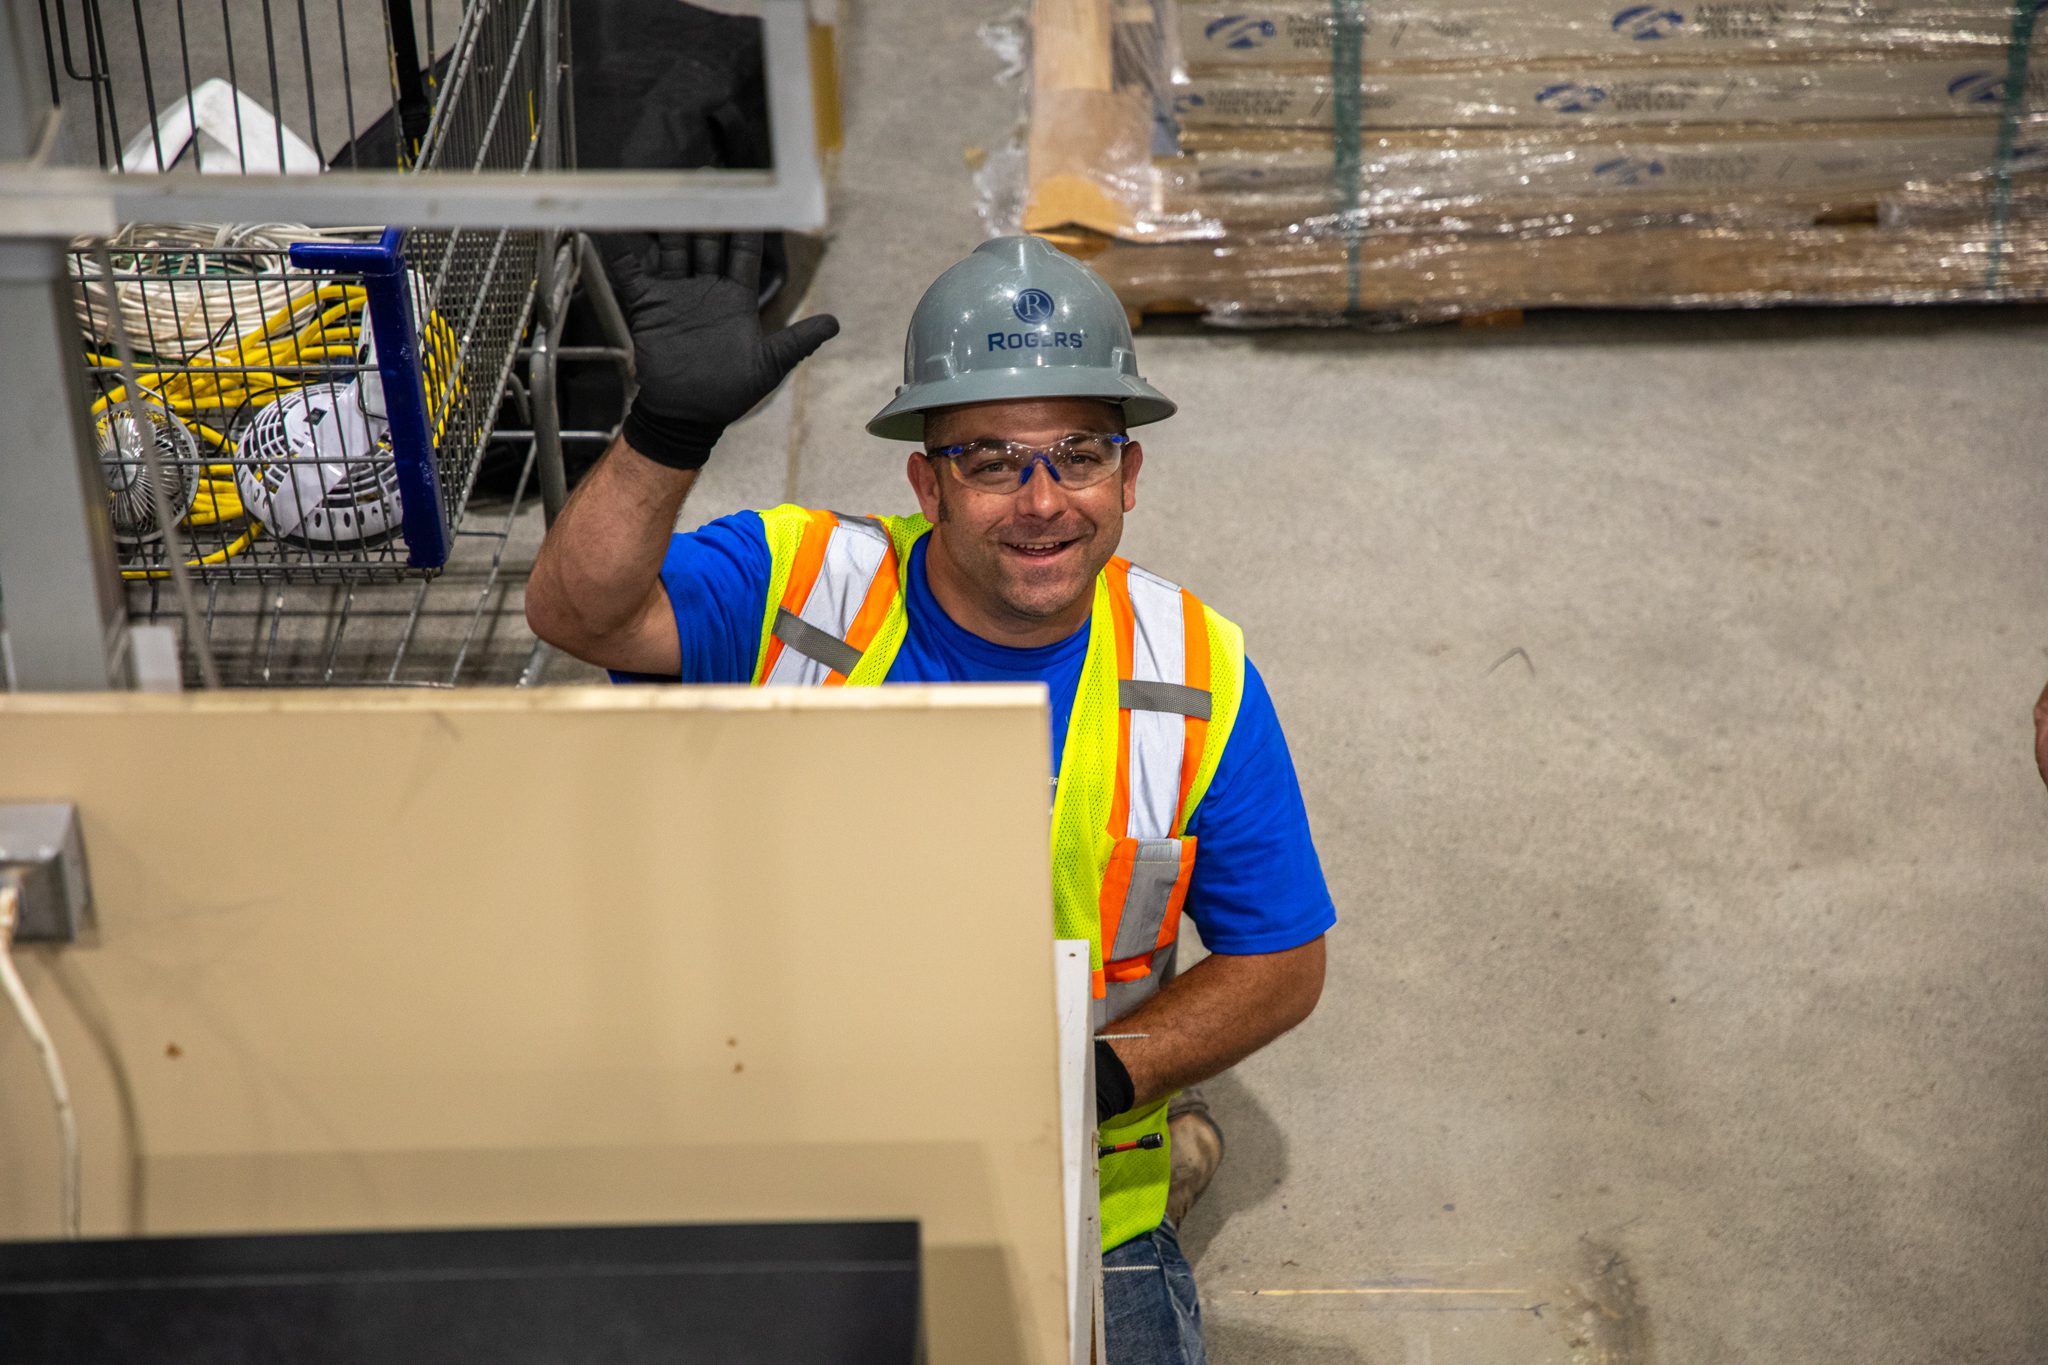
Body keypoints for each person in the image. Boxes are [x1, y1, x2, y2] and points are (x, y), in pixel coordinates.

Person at [526, 233, 1334, 1364]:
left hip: (1072, 1177)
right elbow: (582, 615)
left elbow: (1282, 962)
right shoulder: (796, 583)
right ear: (925, 478)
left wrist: (1109, 1074)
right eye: (993, 460)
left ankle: (1171, 1154)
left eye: (1080, 456)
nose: (1043, 501)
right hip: (779, 1137)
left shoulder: (1193, 675)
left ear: (1129, 475)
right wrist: (666, 436)